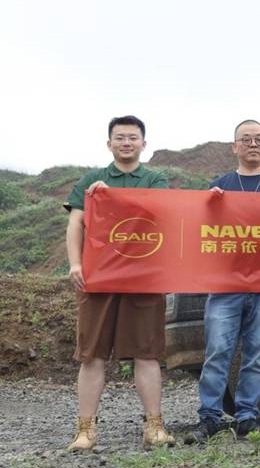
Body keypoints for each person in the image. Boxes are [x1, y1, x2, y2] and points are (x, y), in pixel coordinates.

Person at [64, 115, 176, 450]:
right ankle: (85, 430)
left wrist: (112, 198)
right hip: (98, 278)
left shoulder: (155, 179)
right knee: (92, 355)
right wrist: (75, 263)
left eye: (132, 137)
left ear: (144, 143)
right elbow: (76, 224)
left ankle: (154, 427)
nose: (126, 143)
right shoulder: (93, 180)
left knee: (147, 354)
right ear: (109, 143)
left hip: (143, 278)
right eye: (119, 137)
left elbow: (162, 214)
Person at [190, 120, 260, 443]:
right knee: (218, 349)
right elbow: (199, 225)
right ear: (234, 147)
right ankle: (209, 416)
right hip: (225, 285)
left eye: (258, 139)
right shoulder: (219, 185)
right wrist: (209, 203)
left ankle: (247, 416)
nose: (252, 144)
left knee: (257, 352)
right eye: (245, 139)